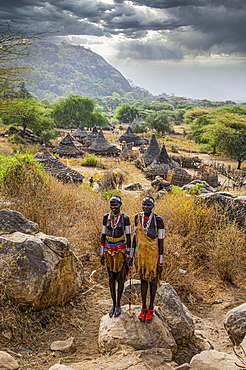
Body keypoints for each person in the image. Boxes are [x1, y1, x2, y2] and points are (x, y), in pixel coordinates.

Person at [133, 196, 164, 323]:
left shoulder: (158, 220)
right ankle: (143, 307)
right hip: (141, 256)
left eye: (148, 205)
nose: (145, 207)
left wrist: (160, 261)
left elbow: (161, 242)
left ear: (153, 207)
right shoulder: (137, 218)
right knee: (143, 281)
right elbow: (135, 238)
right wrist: (130, 255)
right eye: (144, 205)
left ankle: (151, 307)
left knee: (153, 281)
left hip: (153, 256)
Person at [100, 195, 132, 317]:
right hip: (108, 250)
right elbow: (103, 235)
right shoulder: (105, 217)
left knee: (120, 278)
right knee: (111, 278)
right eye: (111, 204)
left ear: (120, 205)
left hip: (120, 251)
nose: (113, 207)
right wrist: (101, 253)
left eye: (115, 204)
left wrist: (129, 255)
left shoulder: (125, 218)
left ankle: (118, 304)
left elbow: (129, 237)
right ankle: (113, 304)